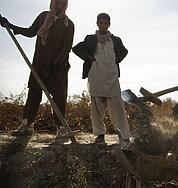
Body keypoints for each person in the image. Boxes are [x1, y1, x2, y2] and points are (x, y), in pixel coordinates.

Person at [0, 0, 74, 136]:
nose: (60, 6)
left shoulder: (68, 24)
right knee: (34, 91)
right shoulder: (43, 17)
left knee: (59, 96)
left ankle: (61, 128)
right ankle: (27, 124)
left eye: (63, 4)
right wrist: (10, 26)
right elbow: (30, 32)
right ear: (53, 3)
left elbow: (66, 49)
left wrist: (54, 65)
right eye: (58, 3)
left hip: (58, 67)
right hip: (40, 63)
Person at [72, 13, 130, 147]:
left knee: (117, 106)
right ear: (97, 24)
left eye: (106, 23)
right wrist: (88, 58)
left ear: (109, 25)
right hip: (96, 75)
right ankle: (99, 136)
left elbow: (124, 51)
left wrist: (117, 59)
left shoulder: (115, 40)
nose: (103, 25)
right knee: (97, 107)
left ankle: (125, 137)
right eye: (101, 22)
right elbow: (76, 49)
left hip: (111, 76)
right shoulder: (91, 39)